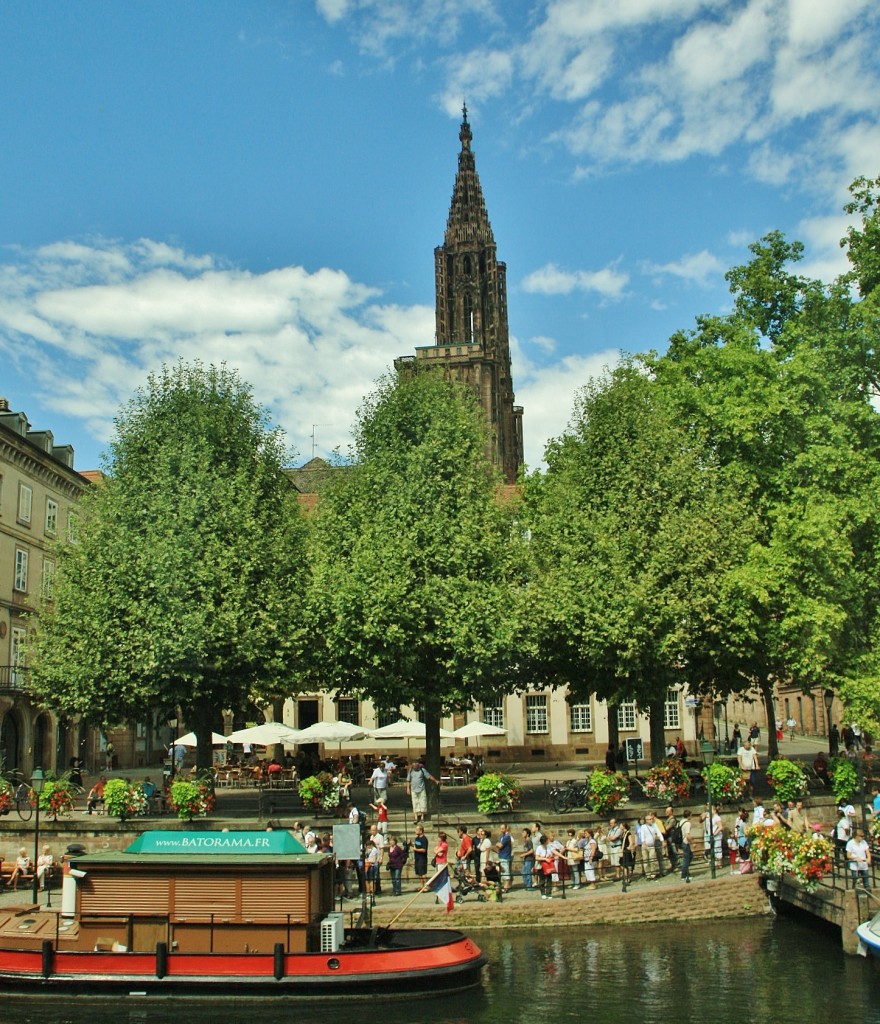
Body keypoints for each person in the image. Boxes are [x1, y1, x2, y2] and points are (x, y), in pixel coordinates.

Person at [535, 834, 554, 899]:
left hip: (548, 866)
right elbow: (537, 857)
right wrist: (544, 858)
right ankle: (543, 893)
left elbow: (552, 853)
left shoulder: (549, 847)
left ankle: (549, 893)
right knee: (542, 880)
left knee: (549, 879)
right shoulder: (539, 848)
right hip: (541, 866)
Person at [495, 822, 513, 893]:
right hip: (501, 856)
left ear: (506, 829)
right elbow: (498, 844)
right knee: (502, 872)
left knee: (506, 872)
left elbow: (500, 845)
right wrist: (498, 844)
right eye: (501, 829)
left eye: (503, 829)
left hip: (505, 856)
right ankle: (504, 886)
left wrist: (497, 844)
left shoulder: (507, 836)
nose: (501, 830)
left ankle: (506, 887)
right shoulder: (502, 836)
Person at [412, 824, 429, 888]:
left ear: (421, 831)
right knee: (419, 873)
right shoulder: (416, 838)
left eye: (417, 830)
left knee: (423, 873)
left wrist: (416, 849)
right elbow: (415, 847)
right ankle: (422, 886)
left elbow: (424, 850)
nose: (415, 831)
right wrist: (410, 844)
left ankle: (427, 886)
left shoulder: (424, 839)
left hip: (422, 858)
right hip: (417, 858)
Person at [680, 813, 694, 883]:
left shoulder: (681, 821)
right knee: (687, 858)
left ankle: (685, 871)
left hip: (682, 841)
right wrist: (693, 843)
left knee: (689, 856)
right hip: (686, 842)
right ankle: (684, 874)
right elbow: (687, 835)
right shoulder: (688, 823)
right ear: (689, 816)